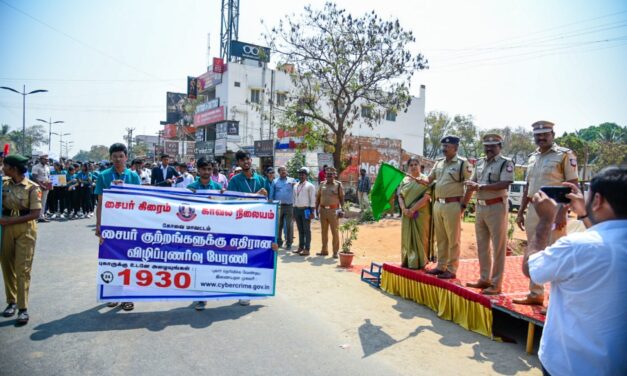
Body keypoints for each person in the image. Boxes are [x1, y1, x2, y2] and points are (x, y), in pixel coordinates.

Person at [522, 166, 627, 376]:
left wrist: (545, 220)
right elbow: (604, 239)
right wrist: (586, 214)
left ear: (597, 200)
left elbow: (531, 268)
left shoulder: (576, 246)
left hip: (569, 365)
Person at [514, 121, 578, 306]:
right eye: (537, 135)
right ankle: (535, 293)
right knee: (535, 249)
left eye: (545, 134)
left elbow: (572, 184)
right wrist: (520, 211)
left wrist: (562, 212)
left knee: (555, 252)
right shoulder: (532, 157)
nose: (541, 138)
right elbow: (528, 186)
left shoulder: (564, 155)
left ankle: (555, 300)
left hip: (555, 208)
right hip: (535, 207)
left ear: (553, 134)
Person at [463, 134, 514, 294]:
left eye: (493, 145)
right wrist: (464, 203)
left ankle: (496, 284)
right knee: (482, 245)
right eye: (486, 146)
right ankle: (484, 278)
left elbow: (505, 183)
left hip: (497, 207)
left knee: (498, 247)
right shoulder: (479, 162)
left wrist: (481, 187)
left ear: (499, 146)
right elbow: (472, 184)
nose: (489, 149)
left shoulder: (505, 163)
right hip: (480, 207)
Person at [95, 143, 141, 312]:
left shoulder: (134, 176)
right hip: (110, 224)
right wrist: (99, 224)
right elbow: (100, 202)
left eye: (121, 156)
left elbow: (140, 201)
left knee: (129, 259)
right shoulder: (103, 176)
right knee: (111, 259)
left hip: (129, 224)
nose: (118, 159)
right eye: (115, 156)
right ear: (110, 158)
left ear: (126, 157)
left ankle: (128, 296)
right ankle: (113, 295)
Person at [420, 136, 472, 279]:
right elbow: (429, 180)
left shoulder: (463, 164)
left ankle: (452, 268)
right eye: (443, 146)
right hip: (438, 204)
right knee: (441, 238)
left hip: (453, 204)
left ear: (455, 148)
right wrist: (420, 179)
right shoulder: (439, 163)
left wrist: (464, 205)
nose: (444, 149)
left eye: (447, 147)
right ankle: (441, 266)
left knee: (453, 239)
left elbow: (470, 186)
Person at [1, 154, 42, 325]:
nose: (3, 168)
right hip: (5, 228)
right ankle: (11, 302)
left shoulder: (32, 187)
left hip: (25, 228)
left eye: (6, 166)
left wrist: (10, 220)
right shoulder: (3, 184)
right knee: (7, 265)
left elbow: (35, 213)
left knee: (22, 268)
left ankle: (22, 307)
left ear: (14, 168)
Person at [227, 150, 268, 306]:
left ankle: (253, 287)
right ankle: (242, 291)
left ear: (251, 161)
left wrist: (264, 197)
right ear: (238, 163)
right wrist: (255, 196)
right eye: (242, 160)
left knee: (255, 257)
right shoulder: (235, 181)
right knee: (241, 259)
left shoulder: (261, 180)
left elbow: (268, 203)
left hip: (257, 226)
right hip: (241, 226)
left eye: (247, 159)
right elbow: (231, 203)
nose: (245, 162)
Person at [186, 157, 224, 311]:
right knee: (196, 264)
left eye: (209, 169)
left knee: (209, 263)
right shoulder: (191, 187)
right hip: (195, 232)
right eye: (203, 169)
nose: (206, 172)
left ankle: (206, 291)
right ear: (198, 170)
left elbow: (225, 208)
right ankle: (200, 296)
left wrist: (221, 196)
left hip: (212, 233)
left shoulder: (218, 187)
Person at [397, 158, 433, 270]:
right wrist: (404, 209)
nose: (413, 166)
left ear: (420, 165)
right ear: (408, 167)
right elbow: (400, 196)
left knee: (421, 237)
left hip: (421, 214)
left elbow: (427, 197)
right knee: (407, 236)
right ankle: (407, 260)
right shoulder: (404, 180)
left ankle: (421, 261)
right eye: (411, 164)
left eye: (416, 164)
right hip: (406, 215)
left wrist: (412, 210)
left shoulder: (425, 180)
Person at [315, 167, 344, 258]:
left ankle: (335, 252)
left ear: (334, 175)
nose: (329, 176)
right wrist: (316, 209)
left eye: (331, 175)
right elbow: (318, 198)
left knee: (335, 232)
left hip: (333, 211)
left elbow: (342, 198)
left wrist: (342, 209)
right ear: (325, 175)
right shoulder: (322, 184)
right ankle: (324, 250)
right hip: (323, 211)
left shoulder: (338, 185)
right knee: (324, 232)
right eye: (327, 174)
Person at [271, 166, 296, 250]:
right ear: (278, 172)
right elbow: (271, 194)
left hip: (289, 206)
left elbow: (297, 190)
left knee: (289, 225)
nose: (283, 171)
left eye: (284, 170)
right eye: (281, 170)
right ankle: (279, 242)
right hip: (278, 207)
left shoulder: (292, 180)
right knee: (278, 226)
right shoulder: (275, 181)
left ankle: (289, 243)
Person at [293, 167, 316, 256]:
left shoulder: (310, 185)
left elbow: (312, 200)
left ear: (306, 175)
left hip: (306, 210)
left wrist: (312, 212)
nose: (301, 175)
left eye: (303, 174)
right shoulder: (296, 185)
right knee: (300, 230)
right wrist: (294, 211)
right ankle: (300, 247)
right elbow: (294, 198)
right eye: (300, 174)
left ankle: (307, 249)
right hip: (297, 209)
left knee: (307, 230)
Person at [30, 153, 51, 222]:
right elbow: (34, 177)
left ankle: (41, 216)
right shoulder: (35, 167)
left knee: (43, 202)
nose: (46, 161)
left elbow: (48, 176)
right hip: (38, 186)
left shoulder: (47, 167)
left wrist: (49, 184)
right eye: (45, 159)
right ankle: (36, 216)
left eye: (47, 159)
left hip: (46, 185)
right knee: (37, 202)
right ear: (40, 159)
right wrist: (41, 185)